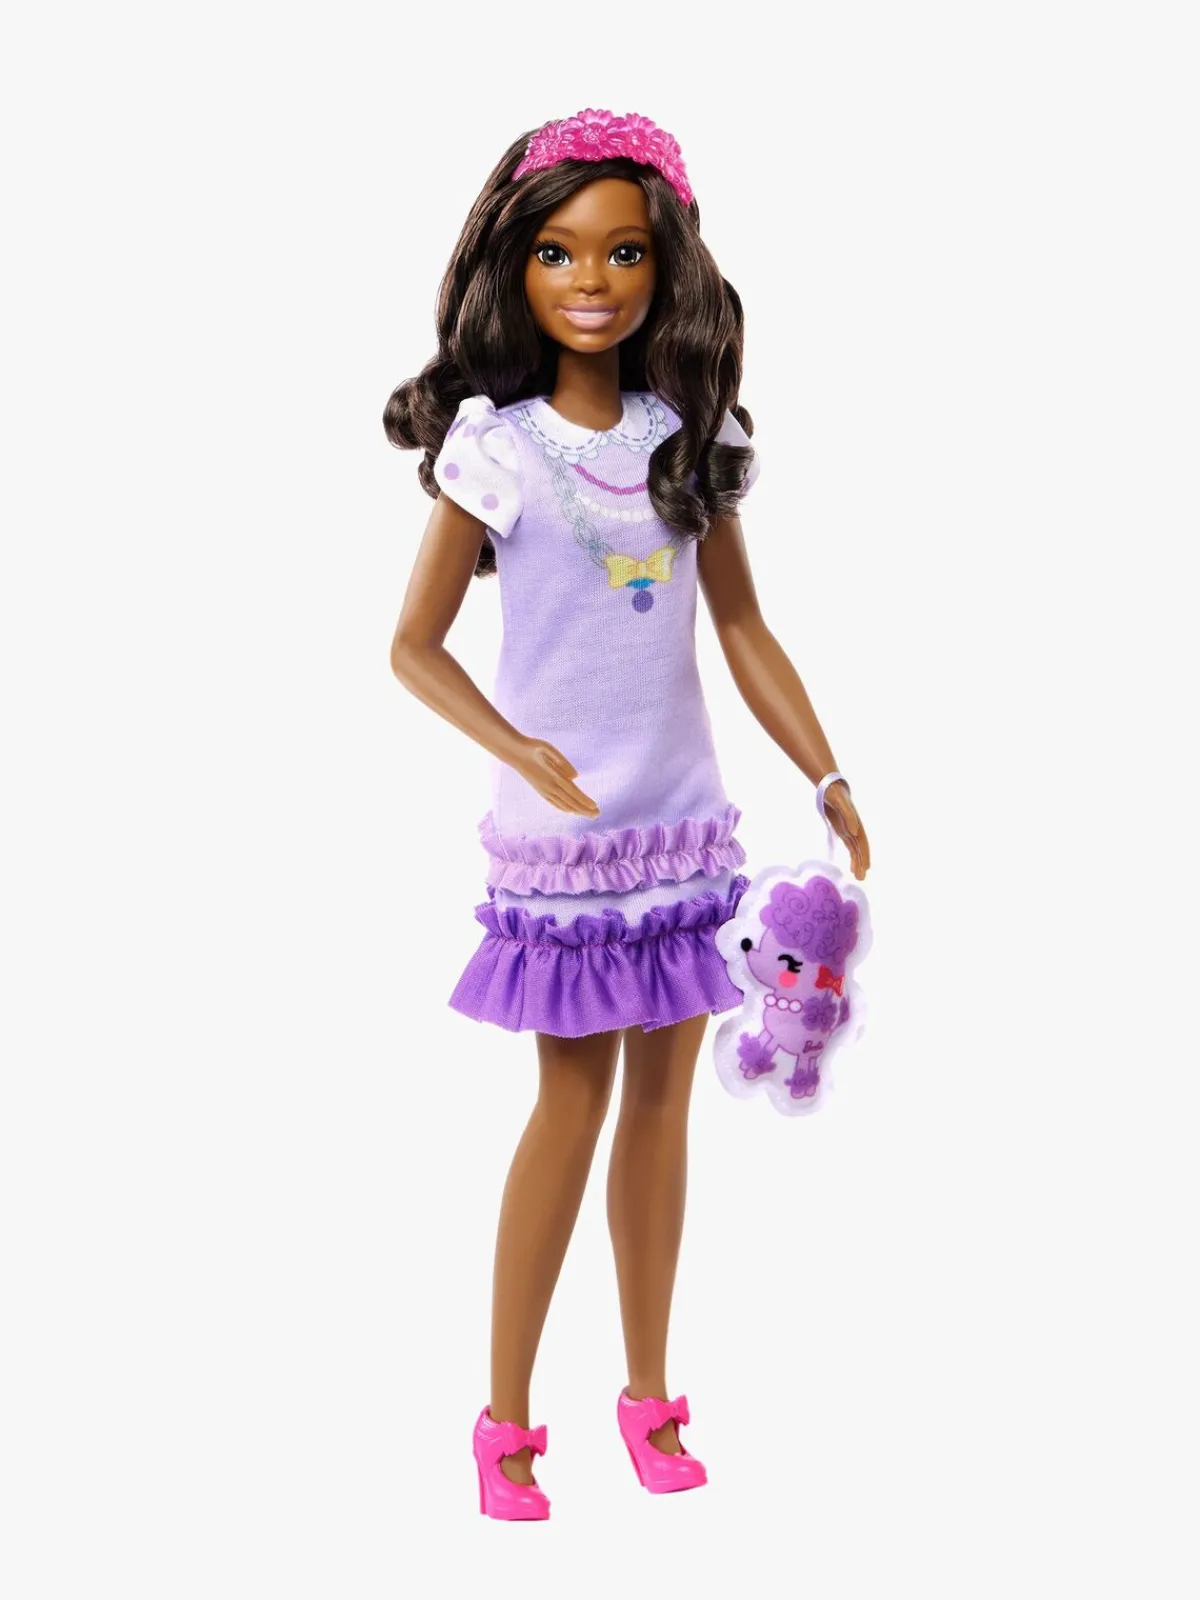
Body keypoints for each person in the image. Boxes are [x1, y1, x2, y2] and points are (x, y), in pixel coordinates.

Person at [384, 108, 870, 1520]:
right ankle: (505, 1420)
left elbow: (745, 628)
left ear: (669, 268)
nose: (590, 280)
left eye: (623, 252)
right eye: (557, 251)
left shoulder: (685, 443)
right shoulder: (496, 450)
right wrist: (514, 746)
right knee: (568, 1108)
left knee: (662, 1117)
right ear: (513, 268)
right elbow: (412, 646)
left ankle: (650, 1395)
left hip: (682, 831)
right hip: (564, 850)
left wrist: (827, 771)